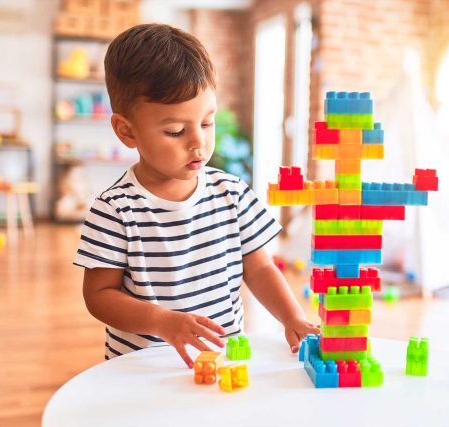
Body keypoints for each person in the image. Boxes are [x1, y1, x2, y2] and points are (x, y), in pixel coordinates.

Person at [74, 23, 318, 368]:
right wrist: (163, 321)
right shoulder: (115, 209)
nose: (198, 142)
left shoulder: (231, 193)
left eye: (207, 123)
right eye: (175, 131)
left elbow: (260, 267)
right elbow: (98, 297)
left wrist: (292, 317)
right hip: (143, 367)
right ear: (126, 131)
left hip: (221, 359)